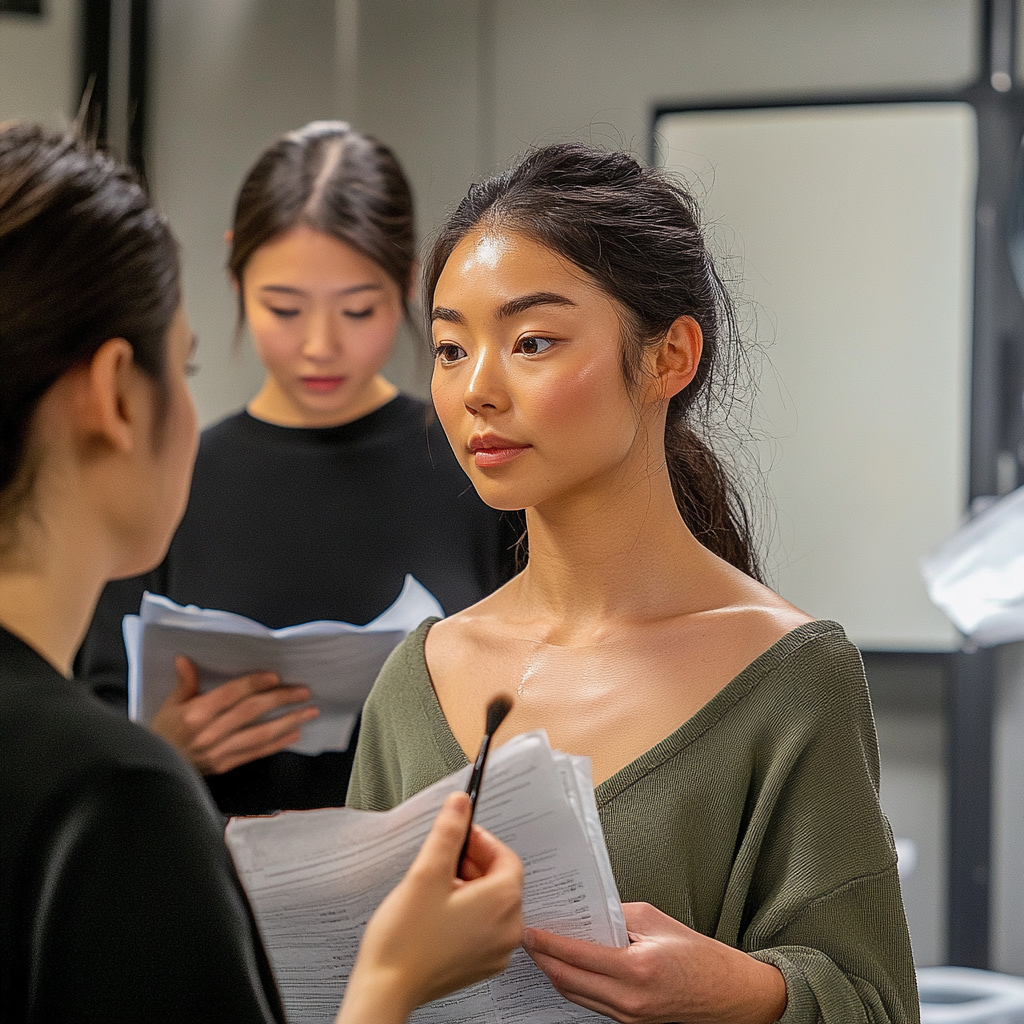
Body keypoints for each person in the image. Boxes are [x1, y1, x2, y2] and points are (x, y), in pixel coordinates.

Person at [346, 143, 920, 1023]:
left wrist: (743, 993)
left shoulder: (793, 678)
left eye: (531, 341)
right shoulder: (417, 676)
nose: (477, 390)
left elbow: (875, 1003)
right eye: (452, 348)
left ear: (669, 357)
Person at [0, 120, 522, 1024]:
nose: (319, 345)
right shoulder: (114, 798)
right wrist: (391, 985)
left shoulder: (474, 476)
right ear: (119, 396)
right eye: (187, 362)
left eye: (356, 309)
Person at [75, 120, 521, 816]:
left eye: (358, 309)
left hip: (435, 878)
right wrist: (163, 745)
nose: (320, 345)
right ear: (235, 276)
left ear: (408, 282)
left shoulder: (481, 461)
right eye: (283, 308)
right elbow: (92, 708)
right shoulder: (167, 469)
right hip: (217, 888)